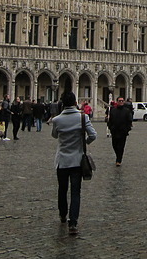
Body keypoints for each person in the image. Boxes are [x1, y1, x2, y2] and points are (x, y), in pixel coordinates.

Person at [52, 91, 97, 236]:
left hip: (62, 161)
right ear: (75, 102)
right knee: (75, 192)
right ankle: (73, 223)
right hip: (77, 160)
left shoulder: (57, 120)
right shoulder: (82, 117)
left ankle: (63, 214)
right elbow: (93, 135)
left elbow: (54, 135)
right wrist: (84, 143)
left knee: (62, 189)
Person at [107, 97, 133, 166]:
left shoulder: (127, 111)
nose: (121, 102)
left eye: (122, 101)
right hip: (114, 131)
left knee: (121, 146)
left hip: (123, 131)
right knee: (114, 145)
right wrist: (110, 127)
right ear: (117, 102)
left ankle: (118, 160)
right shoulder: (113, 110)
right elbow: (110, 120)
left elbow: (129, 120)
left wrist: (127, 129)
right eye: (119, 101)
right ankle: (118, 156)